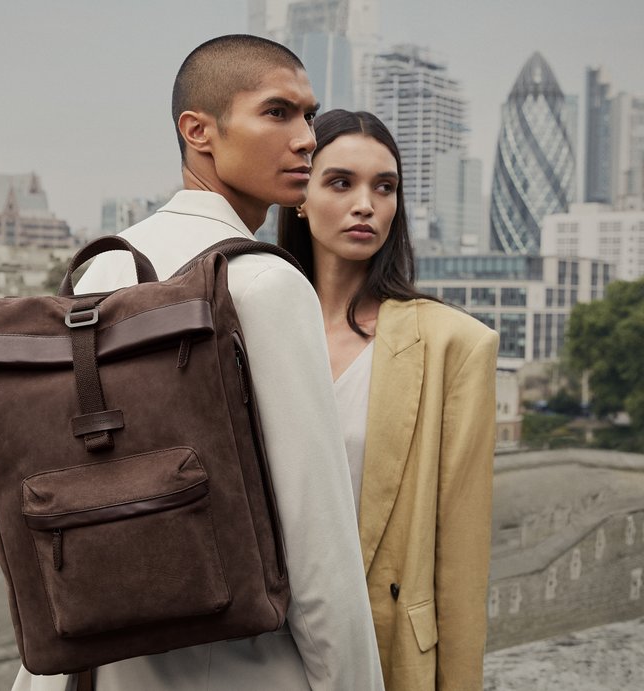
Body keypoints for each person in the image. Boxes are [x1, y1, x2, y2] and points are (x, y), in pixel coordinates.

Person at [12, 37, 384, 691]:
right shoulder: (266, 283)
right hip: (242, 670)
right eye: (278, 113)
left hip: (101, 671)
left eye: (309, 115)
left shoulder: (105, 262)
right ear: (198, 130)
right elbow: (320, 549)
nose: (306, 139)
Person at [279, 110, 498, 691]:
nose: (365, 204)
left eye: (385, 186)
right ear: (300, 196)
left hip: (381, 645)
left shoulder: (455, 345)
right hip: (256, 645)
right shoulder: (247, 330)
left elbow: (461, 558)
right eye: (341, 182)